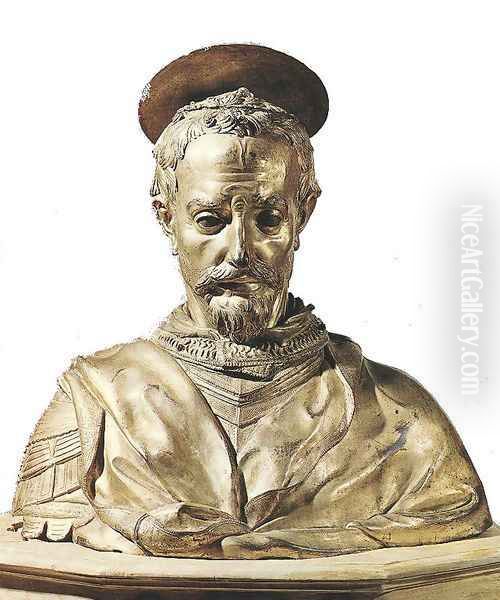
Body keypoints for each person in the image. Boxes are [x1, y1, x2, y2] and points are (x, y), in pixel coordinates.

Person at [12, 46, 491, 559]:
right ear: (166, 218)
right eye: (210, 221)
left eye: (267, 219)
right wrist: (137, 527)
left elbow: (451, 520)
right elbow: (48, 533)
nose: (239, 252)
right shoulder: (94, 398)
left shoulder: (399, 414)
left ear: (303, 214)